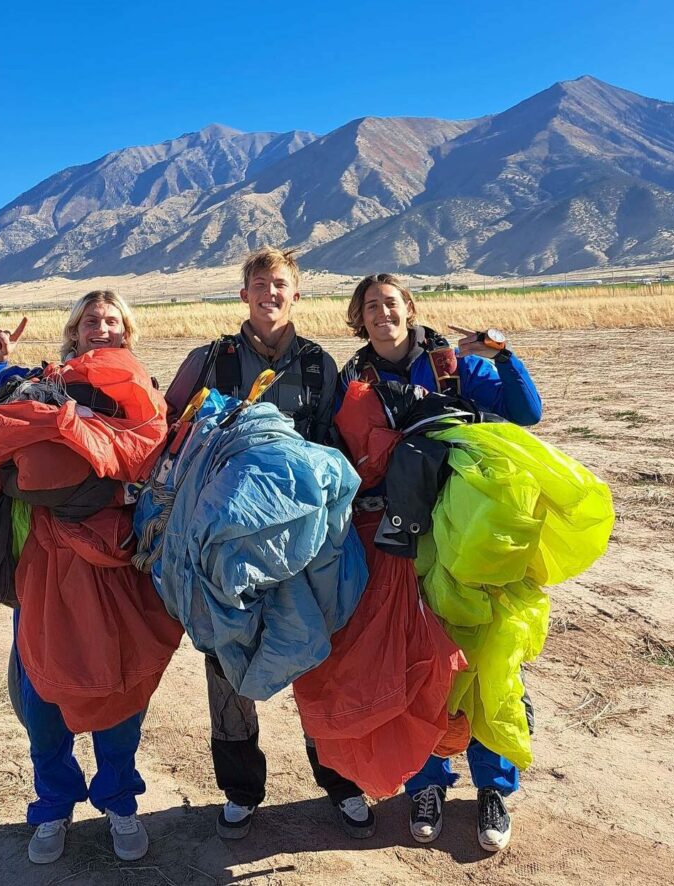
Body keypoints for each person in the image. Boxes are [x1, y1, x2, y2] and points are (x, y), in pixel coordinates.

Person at [165, 247, 376, 840]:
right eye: (259, 285)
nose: (269, 293)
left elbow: (342, 443)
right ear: (244, 295)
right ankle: (240, 790)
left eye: (280, 284)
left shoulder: (319, 365)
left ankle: (340, 781)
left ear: (296, 294)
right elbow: (167, 430)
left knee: (319, 656)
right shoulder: (210, 361)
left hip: (308, 539)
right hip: (229, 545)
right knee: (227, 657)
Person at [0, 292, 153, 865]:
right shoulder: (37, 381)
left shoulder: (140, 391)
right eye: (91, 321)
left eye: (112, 321)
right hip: (41, 563)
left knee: (117, 682)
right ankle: (53, 805)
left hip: (113, 564)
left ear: (126, 332)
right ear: (74, 332)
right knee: (41, 693)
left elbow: (158, 458)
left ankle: (119, 800)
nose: (101, 328)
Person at [338, 273, 542, 853]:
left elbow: (526, 413)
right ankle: (428, 784)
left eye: (391, 303)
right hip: (401, 544)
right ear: (360, 317)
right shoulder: (354, 380)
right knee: (421, 664)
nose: (383, 314)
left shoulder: (453, 364)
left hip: (472, 536)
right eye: (371, 306)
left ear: (410, 309)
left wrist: (504, 358)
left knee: (485, 658)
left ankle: (494, 787)